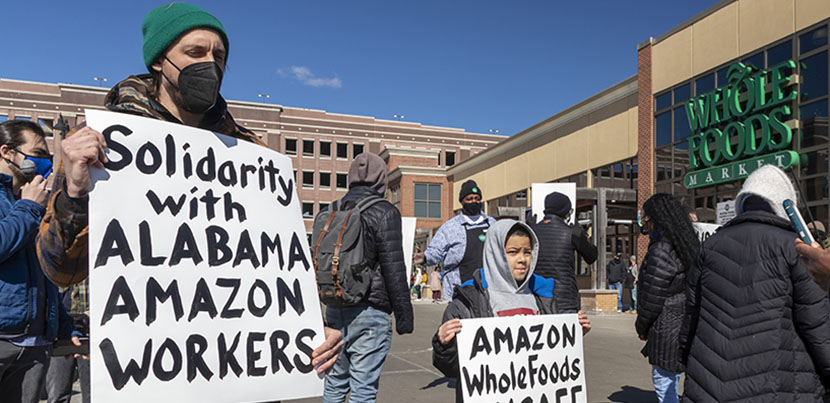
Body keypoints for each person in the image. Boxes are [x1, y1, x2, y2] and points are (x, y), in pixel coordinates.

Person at [34, 2, 344, 375]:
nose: (210, 64)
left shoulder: (250, 154)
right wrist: (75, 191)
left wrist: (309, 326)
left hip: (237, 362)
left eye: (220, 55)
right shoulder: (102, 144)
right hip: (139, 363)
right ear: (159, 61)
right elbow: (60, 271)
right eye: (195, 52)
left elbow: (277, 261)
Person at [681, 165, 830, 402]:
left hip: (709, 384)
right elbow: (818, 326)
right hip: (776, 385)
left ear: (742, 203)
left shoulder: (709, 247)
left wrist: (685, 358)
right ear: (786, 205)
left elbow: (691, 314)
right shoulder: (798, 249)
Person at [431, 220, 591, 403]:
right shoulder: (466, 302)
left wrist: (572, 334)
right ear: (495, 253)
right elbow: (451, 368)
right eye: (513, 252)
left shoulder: (543, 297)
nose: (522, 259)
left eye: (527, 252)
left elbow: (551, 360)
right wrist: (444, 344)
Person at [321, 153, 414, 403]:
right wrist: (404, 318)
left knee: (334, 384)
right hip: (371, 311)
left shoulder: (331, 210)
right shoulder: (385, 211)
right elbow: (394, 267)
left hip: (334, 307)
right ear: (382, 181)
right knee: (363, 389)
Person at [0, 120, 79, 403]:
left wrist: (62, 325)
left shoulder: (31, 202)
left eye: (47, 155)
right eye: (37, 153)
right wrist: (29, 208)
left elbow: (43, 272)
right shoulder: (29, 205)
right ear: (7, 152)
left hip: (35, 345)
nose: (45, 161)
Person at [635, 193, 699, 403]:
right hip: (686, 321)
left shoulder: (662, 249)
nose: (644, 222)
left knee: (664, 382)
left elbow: (653, 296)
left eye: (645, 217)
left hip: (666, 325)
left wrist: (642, 326)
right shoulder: (686, 243)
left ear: (656, 218)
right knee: (678, 376)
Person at [415, 180, 495, 302]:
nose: (474, 202)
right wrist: (424, 258)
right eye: (469, 199)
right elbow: (436, 251)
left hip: (489, 289)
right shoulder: (450, 227)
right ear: (462, 201)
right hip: (459, 291)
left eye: (477, 198)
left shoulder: (492, 223)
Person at [530, 191, 598, 313]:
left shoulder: (531, 231)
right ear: (566, 211)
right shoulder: (572, 232)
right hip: (565, 299)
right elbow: (592, 256)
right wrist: (582, 234)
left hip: (537, 297)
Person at [44, 280, 89, 403]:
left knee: (92, 393)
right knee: (57, 394)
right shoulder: (57, 264)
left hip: (91, 333)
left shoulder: (99, 264)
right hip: (61, 334)